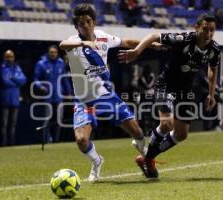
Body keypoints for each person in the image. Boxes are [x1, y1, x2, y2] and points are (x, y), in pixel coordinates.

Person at [59, 3, 161, 182]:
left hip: (106, 97)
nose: (86, 25)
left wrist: (152, 45)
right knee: (81, 140)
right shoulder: (73, 42)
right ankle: (97, 161)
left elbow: (127, 42)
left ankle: (144, 152)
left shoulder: (103, 37)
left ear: (94, 22)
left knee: (138, 132)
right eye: (81, 23)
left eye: (88, 21)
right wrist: (83, 43)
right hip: (84, 102)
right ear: (77, 27)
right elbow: (62, 44)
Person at [118, 13, 220, 178]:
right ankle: (148, 159)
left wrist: (211, 93)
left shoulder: (214, 49)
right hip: (166, 86)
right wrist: (137, 51)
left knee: (182, 134)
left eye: (212, 30)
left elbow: (213, 69)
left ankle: (147, 158)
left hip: (185, 91)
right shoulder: (183, 38)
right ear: (197, 28)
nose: (208, 34)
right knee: (166, 124)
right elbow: (153, 36)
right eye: (205, 29)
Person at [34, 45, 72, 143]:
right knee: (46, 119)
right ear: (48, 53)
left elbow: (64, 79)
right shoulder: (41, 64)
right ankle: (46, 140)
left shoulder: (60, 63)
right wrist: (41, 87)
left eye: (55, 52)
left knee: (59, 119)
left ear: (57, 53)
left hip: (59, 95)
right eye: (51, 52)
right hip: (47, 96)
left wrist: (69, 92)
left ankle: (56, 140)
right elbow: (36, 80)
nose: (53, 54)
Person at [0, 50, 27, 146]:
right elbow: (5, 81)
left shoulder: (17, 67)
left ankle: (11, 143)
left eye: (11, 56)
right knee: (4, 123)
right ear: (4, 57)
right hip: (5, 98)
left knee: (13, 123)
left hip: (15, 99)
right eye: (8, 57)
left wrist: (13, 77)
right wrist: (16, 81)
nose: (9, 59)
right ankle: (3, 143)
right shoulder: (3, 67)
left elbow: (23, 80)